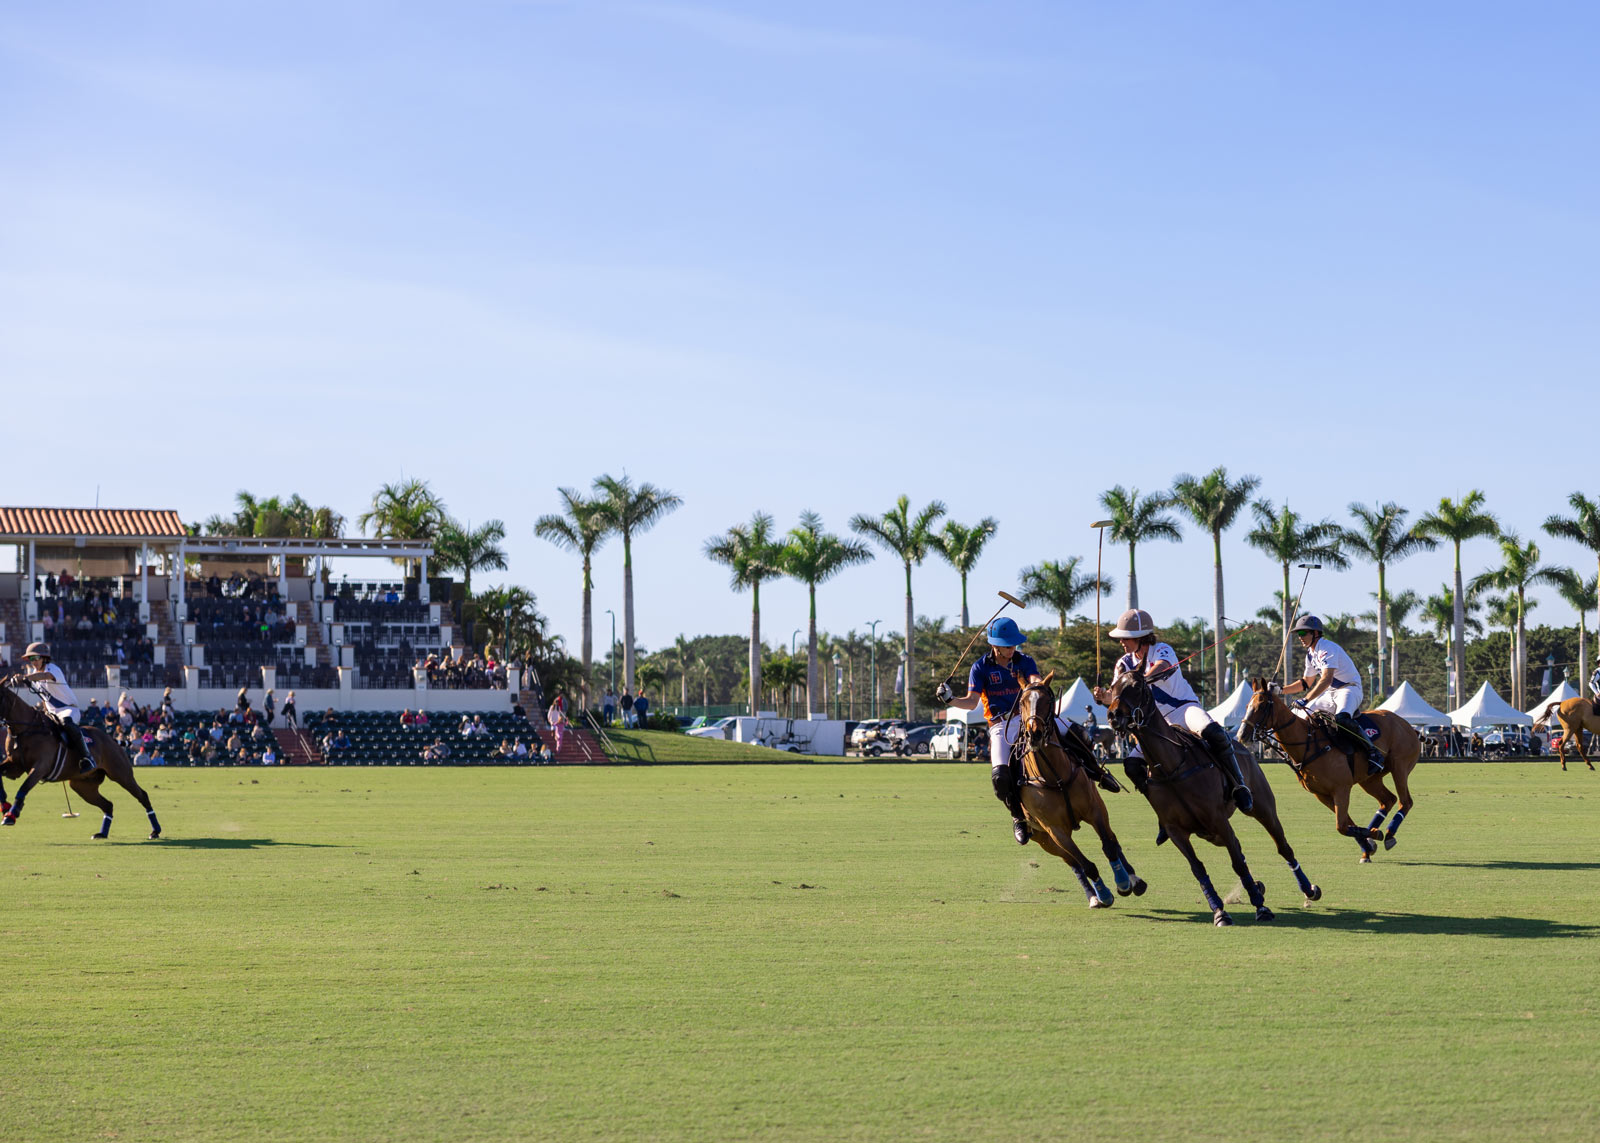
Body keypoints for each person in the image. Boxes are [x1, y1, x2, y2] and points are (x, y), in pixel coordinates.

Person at [936, 616, 1116, 846]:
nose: (1012, 649)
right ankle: (1018, 817)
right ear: (995, 645)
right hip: (1001, 725)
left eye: (1014, 644)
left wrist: (1037, 684)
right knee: (1000, 777)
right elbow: (971, 703)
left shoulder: (1025, 660)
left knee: (1080, 734)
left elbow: (1035, 679)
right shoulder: (980, 667)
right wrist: (950, 699)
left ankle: (1098, 774)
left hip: (1031, 717)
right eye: (1008, 645)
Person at [1093, 608, 1253, 812]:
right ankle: (1161, 805)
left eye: (1126, 637)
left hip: (1183, 710)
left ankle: (1239, 785)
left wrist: (1141, 679)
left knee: (1214, 732)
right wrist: (1103, 696)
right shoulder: (1123, 663)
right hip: (1156, 724)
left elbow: (1162, 666)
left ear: (1141, 637)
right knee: (1131, 764)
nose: (1122, 642)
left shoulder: (1162, 649)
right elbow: (1115, 696)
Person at [1281, 614, 1383, 772]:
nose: (1300, 637)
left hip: (1349, 688)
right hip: (1330, 693)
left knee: (1342, 719)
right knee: (1299, 716)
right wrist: (1280, 690)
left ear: (1315, 633)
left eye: (1303, 633)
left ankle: (1373, 753)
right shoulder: (1310, 654)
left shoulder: (1327, 648)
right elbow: (1305, 682)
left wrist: (1306, 699)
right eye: (1298, 634)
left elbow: (1326, 679)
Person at [13, 643, 94, 774]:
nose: (34, 662)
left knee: (66, 722)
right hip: (52, 713)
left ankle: (87, 757)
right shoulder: (34, 673)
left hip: (68, 709)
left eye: (36, 658)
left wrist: (24, 677)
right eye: (31, 659)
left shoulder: (53, 669)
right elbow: (43, 696)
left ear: (44, 658)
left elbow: (44, 676)